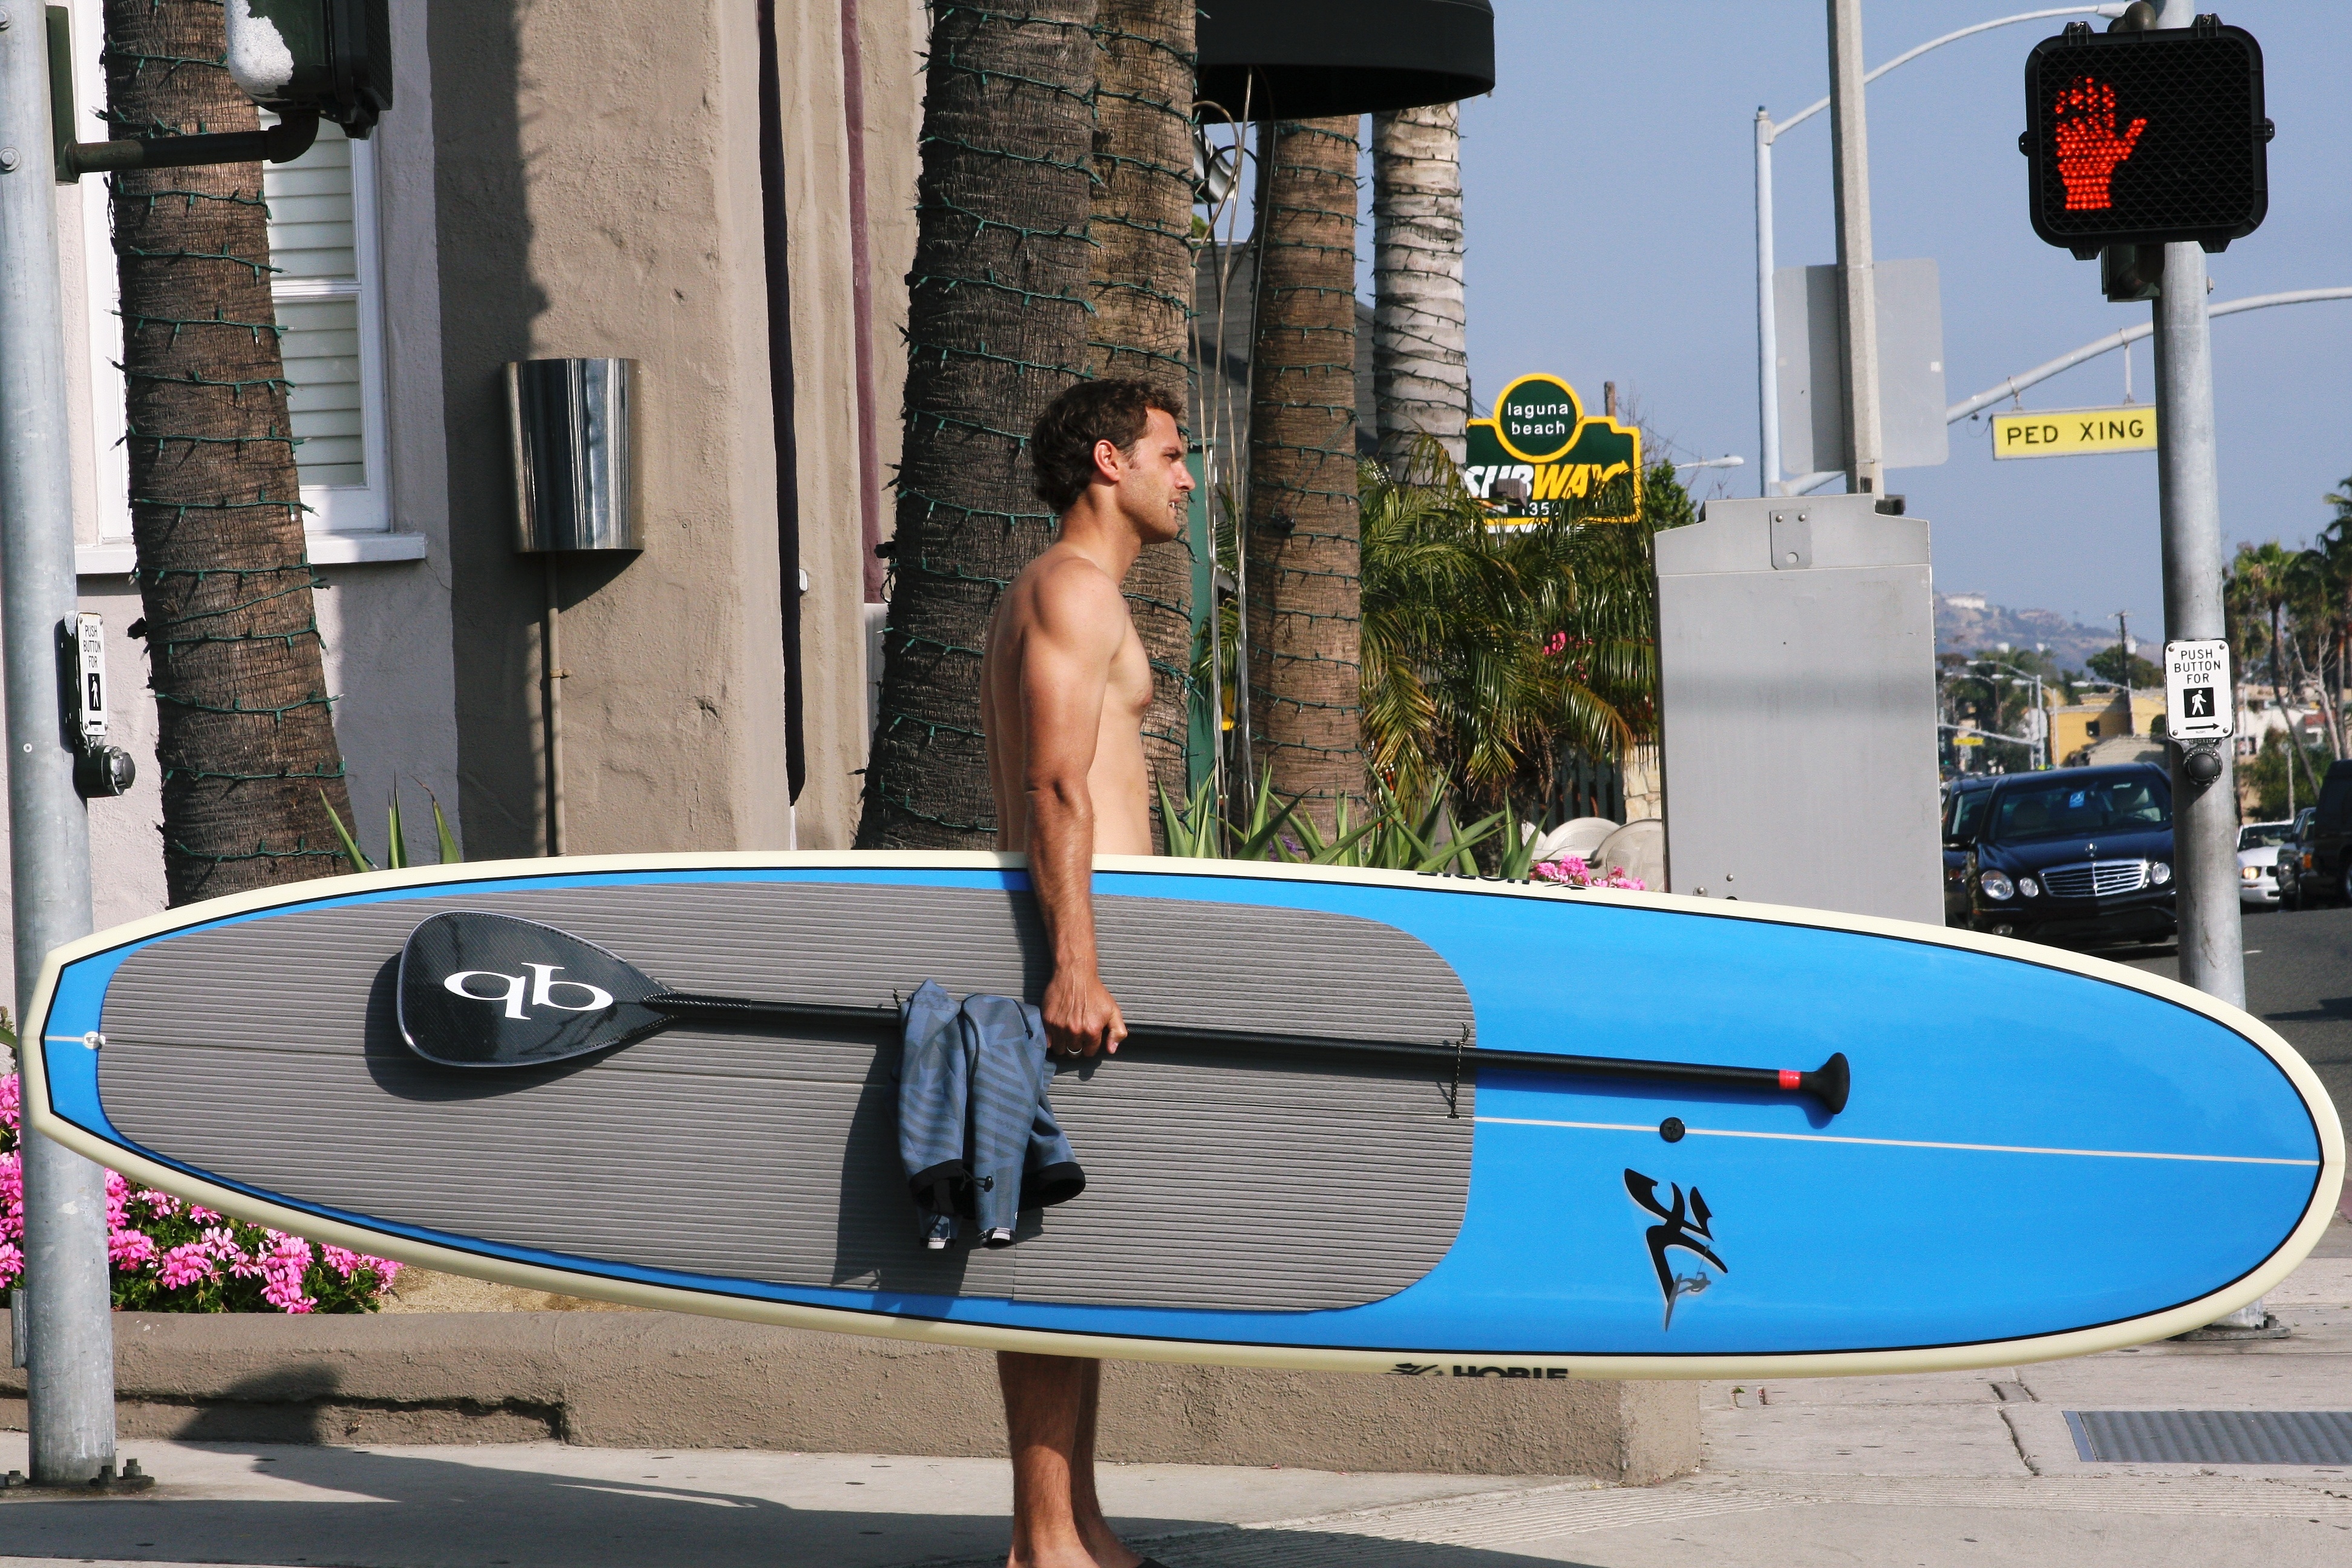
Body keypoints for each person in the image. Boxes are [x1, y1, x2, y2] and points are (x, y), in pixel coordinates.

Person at [978, 378, 1193, 1568]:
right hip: (1066, 946)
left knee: (1080, 1247)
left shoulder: (1063, 592)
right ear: (1110, 462)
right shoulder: (1070, 589)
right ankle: (1041, 1542)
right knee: (1050, 1249)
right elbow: (1057, 783)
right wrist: (1074, 963)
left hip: (1084, 939)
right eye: (1171, 453)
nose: (1187, 477)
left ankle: (1077, 1522)